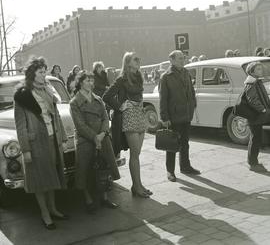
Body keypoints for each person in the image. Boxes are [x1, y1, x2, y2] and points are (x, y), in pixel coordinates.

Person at [14, 57, 68, 230]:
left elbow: (56, 116)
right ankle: (45, 214)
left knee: (51, 175)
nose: (44, 75)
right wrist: (26, 150)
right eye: (40, 72)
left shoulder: (48, 90)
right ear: (32, 73)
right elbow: (20, 125)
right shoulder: (22, 95)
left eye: (45, 71)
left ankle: (53, 209)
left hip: (52, 139)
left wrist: (64, 138)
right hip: (35, 142)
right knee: (39, 180)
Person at [103, 52, 152, 198]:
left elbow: (139, 95)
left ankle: (138, 185)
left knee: (136, 154)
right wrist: (120, 106)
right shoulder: (122, 79)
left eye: (139, 59)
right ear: (128, 62)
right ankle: (137, 187)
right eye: (135, 59)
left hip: (139, 114)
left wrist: (140, 106)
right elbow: (107, 96)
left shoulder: (139, 77)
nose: (138, 61)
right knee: (135, 154)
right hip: (129, 116)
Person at [70, 71, 120, 212]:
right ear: (80, 82)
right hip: (85, 139)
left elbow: (105, 117)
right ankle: (88, 200)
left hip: (102, 138)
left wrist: (102, 134)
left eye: (92, 81)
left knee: (104, 167)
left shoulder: (98, 99)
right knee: (84, 170)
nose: (91, 83)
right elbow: (80, 125)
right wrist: (94, 137)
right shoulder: (74, 102)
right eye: (87, 81)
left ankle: (104, 198)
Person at [159, 50, 200, 182]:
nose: (183, 60)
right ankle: (170, 171)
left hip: (186, 114)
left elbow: (191, 91)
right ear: (171, 60)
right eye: (180, 59)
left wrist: (193, 104)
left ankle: (185, 166)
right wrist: (165, 118)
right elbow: (163, 99)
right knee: (171, 145)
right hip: (174, 116)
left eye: (183, 58)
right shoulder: (166, 77)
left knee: (185, 143)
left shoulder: (186, 72)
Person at [244, 62, 270, 172]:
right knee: (255, 138)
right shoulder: (251, 83)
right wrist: (262, 109)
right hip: (255, 115)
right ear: (252, 71)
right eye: (258, 69)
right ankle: (252, 163)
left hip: (258, 115)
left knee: (256, 138)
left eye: (261, 68)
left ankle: (253, 161)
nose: (261, 70)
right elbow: (252, 100)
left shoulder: (256, 81)